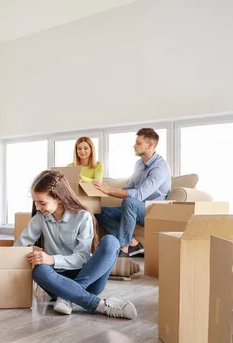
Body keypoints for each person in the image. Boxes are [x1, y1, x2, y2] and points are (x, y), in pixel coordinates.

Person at [14, 170, 137, 319]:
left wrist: (52, 259)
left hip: (88, 279)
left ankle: (67, 297)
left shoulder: (82, 217)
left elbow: (81, 258)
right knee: (39, 270)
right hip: (56, 282)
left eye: (42, 202)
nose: (38, 207)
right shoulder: (39, 219)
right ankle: (100, 305)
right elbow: (18, 247)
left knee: (112, 242)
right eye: (35, 202)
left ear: (59, 198)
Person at [93, 128, 171, 257]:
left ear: (150, 145)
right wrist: (105, 189)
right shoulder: (139, 164)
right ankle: (132, 243)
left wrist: (110, 190)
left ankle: (123, 249)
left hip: (152, 209)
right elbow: (129, 188)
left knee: (129, 202)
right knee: (99, 211)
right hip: (136, 207)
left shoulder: (160, 167)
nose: (134, 146)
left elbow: (139, 195)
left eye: (138, 143)